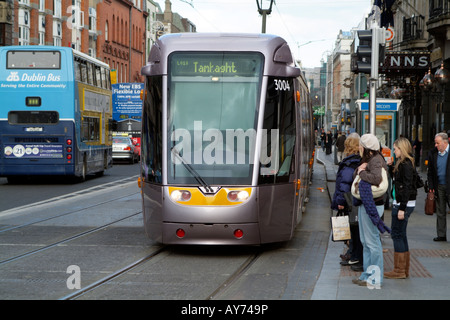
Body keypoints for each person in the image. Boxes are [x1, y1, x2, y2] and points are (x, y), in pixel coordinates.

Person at [352, 133, 390, 288]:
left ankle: (374, 278)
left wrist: (360, 172)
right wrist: (359, 170)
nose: (359, 148)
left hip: (372, 205)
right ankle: (367, 275)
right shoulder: (372, 159)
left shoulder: (375, 160)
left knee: (371, 242)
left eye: (361, 145)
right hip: (367, 204)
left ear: (366, 148)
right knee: (366, 241)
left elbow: (375, 179)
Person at [385, 137, 417, 279]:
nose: (394, 151)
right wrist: (391, 167)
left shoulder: (405, 164)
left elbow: (407, 186)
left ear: (402, 149)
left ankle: (399, 270)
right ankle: (403, 270)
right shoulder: (403, 163)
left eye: (396, 149)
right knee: (401, 234)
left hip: (403, 204)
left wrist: (402, 208)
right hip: (403, 203)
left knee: (397, 234)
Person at [331, 133, 363, 268]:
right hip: (354, 201)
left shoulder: (349, 163)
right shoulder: (358, 160)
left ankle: (354, 256)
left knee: (353, 230)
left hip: (348, 202)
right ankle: (353, 254)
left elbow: (344, 185)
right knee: (355, 230)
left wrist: (339, 202)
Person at [426, 132, 450, 242]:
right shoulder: (433, 154)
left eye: (437, 143)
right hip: (439, 186)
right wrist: (431, 186)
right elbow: (430, 172)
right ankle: (441, 235)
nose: (435, 145)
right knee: (440, 211)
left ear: (445, 142)